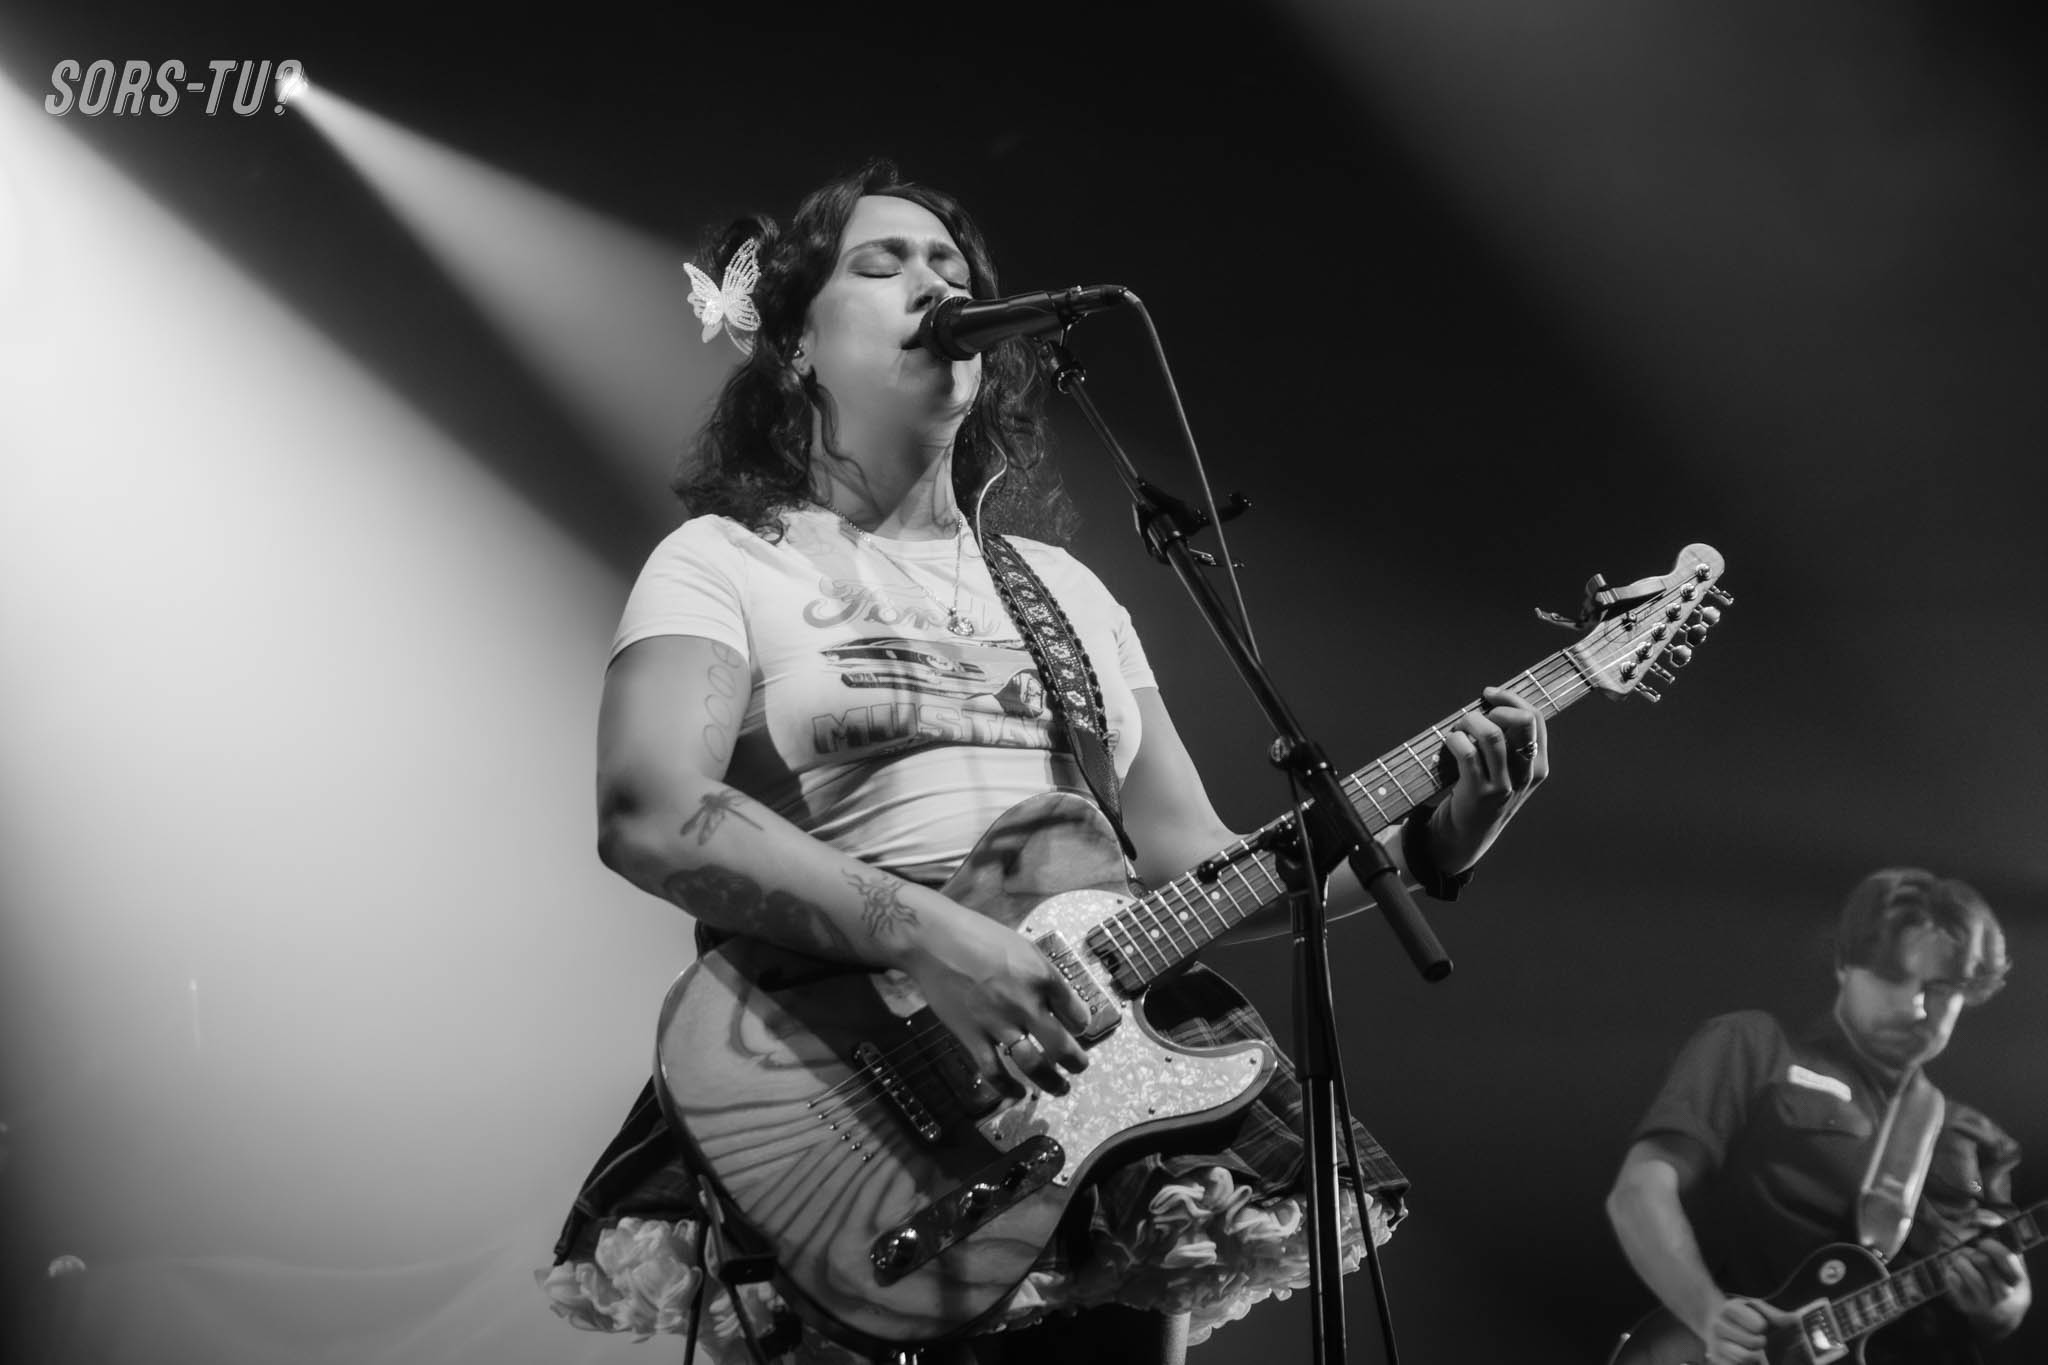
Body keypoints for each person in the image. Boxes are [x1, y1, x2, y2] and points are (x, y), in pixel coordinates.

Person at [537, 159, 1550, 1365]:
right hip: (845, 1087)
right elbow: (651, 811)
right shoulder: (725, 560)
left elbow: (1198, 866)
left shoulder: (1065, 592)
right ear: (796, 344)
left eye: (949, 265)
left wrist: (1430, 842)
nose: (934, 284)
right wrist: (935, 938)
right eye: (882, 264)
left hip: (1092, 1108)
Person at [1606, 868, 2031, 1365]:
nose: (1916, 1006)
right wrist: (1708, 1314)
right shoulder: (1756, 1047)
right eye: (1892, 977)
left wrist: (1999, 1300)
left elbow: (2010, 1302)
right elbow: (1639, 1192)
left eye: (1940, 988)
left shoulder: (1977, 1136)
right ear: (1844, 964)